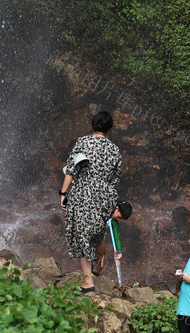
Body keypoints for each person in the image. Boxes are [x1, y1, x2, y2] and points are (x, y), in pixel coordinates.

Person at [59, 110, 122, 294]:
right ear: (109, 129)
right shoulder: (114, 149)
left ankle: (88, 282)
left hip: (83, 193)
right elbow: (116, 177)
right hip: (105, 195)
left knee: (81, 235)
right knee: (98, 229)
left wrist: (63, 193)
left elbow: (71, 170)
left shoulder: (83, 142)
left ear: (93, 125)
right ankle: (100, 258)